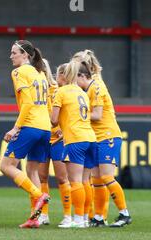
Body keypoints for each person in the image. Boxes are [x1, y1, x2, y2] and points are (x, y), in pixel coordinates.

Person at [75, 50, 132, 227]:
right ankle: (99, 217)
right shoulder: (89, 87)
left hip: (108, 135)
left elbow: (98, 115)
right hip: (97, 137)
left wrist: (77, 115)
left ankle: (124, 213)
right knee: (98, 179)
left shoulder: (97, 86)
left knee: (107, 176)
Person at [0, 40, 51, 229]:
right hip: (44, 127)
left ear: (25, 55)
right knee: (32, 170)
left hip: (30, 125)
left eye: (14, 53)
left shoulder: (19, 72)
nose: (11, 56)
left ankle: (39, 195)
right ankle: (34, 218)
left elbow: (28, 103)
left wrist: (15, 128)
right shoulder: (40, 73)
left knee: (6, 166)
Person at [51, 60, 97, 228]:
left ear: (64, 76)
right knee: (85, 181)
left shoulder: (61, 92)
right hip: (91, 138)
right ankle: (84, 217)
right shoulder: (82, 91)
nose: (56, 78)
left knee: (75, 181)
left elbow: (54, 119)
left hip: (75, 139)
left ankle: (77, 219)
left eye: (58, 75)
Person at [37, 60, 72, 227]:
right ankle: (44, 214)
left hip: (58, 139)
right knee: (42, 177)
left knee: (62, 178)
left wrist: (63, 129)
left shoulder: (58, 89)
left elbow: (69, 113)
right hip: (43, 137)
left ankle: (67, 215)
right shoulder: (35, 90)